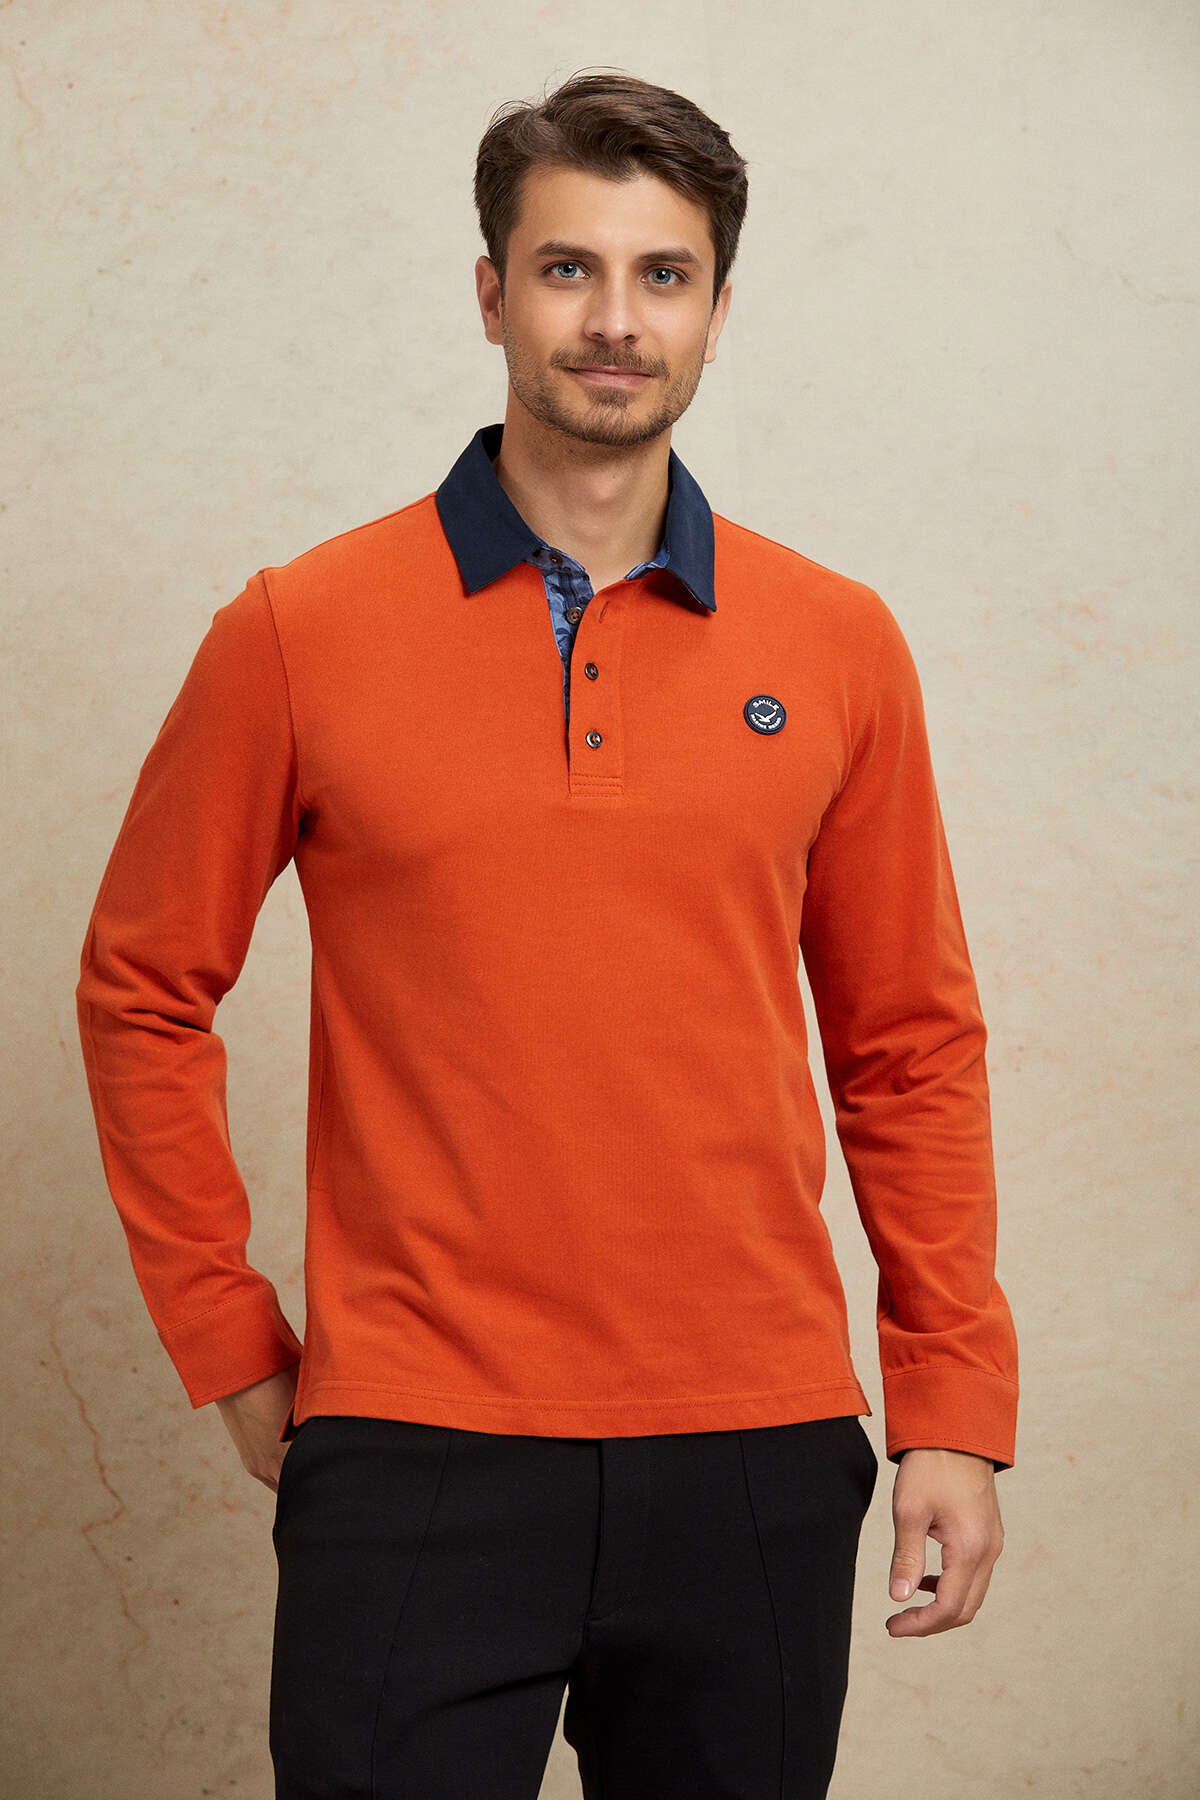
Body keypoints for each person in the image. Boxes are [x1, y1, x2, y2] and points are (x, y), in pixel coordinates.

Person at [75, 68, 1018, 1800]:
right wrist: (227, 1338)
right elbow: (141, 984)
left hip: (756, 1448)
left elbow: (910, 1046)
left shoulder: (837, 644)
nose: (614, 321)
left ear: (719, 309)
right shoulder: (298, 630)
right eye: (568, 268)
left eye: (664, 275)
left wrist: (950, 1403)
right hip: (416, 1444)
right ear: (491, 291)